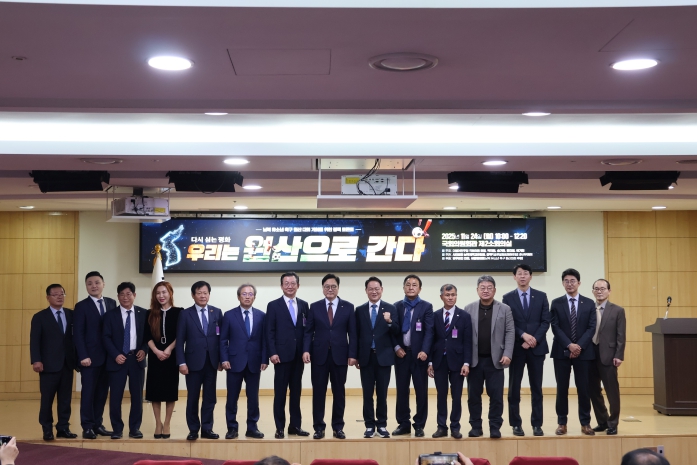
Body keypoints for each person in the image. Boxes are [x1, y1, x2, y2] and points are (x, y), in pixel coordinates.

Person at [303, 273, 357, 440]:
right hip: (319, 356)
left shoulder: (348, 307)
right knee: (318, 392)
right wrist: (306, 350)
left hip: (340, 356)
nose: (330, 289)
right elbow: (308, 332)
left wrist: (352, 354)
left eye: (333, 286)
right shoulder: (315, 307)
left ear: (338, 288)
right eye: (327, 286)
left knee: (339, 393)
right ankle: (319, 427)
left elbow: (353, 334)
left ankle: (338, 427)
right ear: (322, 288)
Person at [501, 263, 550, 437]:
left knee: (537, 388)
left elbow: (545, 321)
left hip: (536, 348)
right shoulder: (508, 298)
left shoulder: (541, 296)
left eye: (526, 273)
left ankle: (537, 424)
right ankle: (516, 424)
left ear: (531, 276)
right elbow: (508, 322)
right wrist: (523, 335)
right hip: (517, 348)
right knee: (514, 388)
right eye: (519, 273)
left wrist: (533, 339)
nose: (522, 276)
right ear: (514, 277)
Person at [463, 275, 514, 439]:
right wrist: (465, 360)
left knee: (496, 397)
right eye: (482, 288)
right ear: (477, 290)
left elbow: (510, 332)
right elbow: (464, 336)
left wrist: (507, 353)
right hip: (475, 361)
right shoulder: (468, 308)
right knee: (473, 397)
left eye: (489, 288)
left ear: (495, 290)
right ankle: (476, 426)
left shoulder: (504, 309)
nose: (486, 291)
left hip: (496, 360)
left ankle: (495, 426)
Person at [550, 268, 597, 436]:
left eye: (572, 281)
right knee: (562, 389)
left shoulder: (589, 303)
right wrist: (569, 345)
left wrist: (578, 346)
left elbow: (591, 327)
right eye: (566, 281)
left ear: (579, 283)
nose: (569, 284)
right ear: (563, 283)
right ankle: (562, 423)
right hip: (561, 351)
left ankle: (585, 423)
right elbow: (555, 327)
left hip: (584, 353)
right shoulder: (556, 303)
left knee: (584, 389)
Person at [176, 281, 224, 440]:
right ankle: (193, 429)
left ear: (209, 294)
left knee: (210, 397)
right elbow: (180, 340)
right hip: (192, 363)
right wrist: (181, 362)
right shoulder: (185, 314)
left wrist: (221, 359)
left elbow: (221, 338)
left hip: (211, 362)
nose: (202, 296)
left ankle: (207, 429)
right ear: (193, 295)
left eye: (205, 293)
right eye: (199, 293)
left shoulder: (217, 312)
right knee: (193, 398)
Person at [30, 284, 77, 441]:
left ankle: (63, 428)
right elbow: (35, 341)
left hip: (67, 364)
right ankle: (47, 429)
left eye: (62, 294)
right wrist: (36, 360)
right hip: (48, 365)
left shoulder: (71, 314)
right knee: (47, 400)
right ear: (48, 297)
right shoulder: (40, 317)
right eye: (55, 294)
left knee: (65, 399)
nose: (59, 296)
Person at [220, 283, 268, 440]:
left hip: (255, 362)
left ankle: (252, 427)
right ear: (238, 296)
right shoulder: (229, 315)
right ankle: (232, 428)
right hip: (234, 362)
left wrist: (264, 359)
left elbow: (264, 340)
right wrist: (224, 359)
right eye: (244, 294)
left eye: (250, 294)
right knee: (232, 398)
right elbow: (223, 340)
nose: (247, 297)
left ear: (254, 297)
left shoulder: (262, 315)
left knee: (253, 398)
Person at [73, 271, 117, 439]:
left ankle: (98, 424)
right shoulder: (81, 306)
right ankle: (87, 426)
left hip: (109, 358)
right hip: (89, 359)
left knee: (102, 393)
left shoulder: (111, 303)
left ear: (103, 284)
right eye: (89, 283)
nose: (93, 286)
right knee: (88, 393)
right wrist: (83, 355)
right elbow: (78, 334)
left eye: (97, 282)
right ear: (86, 286)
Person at [266, 272, 310, 438]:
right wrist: (272, 352)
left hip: (299, 356)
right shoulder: (273, 305)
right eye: (286, 283)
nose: (290, 286)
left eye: (293, 283)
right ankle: (279, 427)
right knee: (280, 393)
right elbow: (269, 331)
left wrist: (306, 350)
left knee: (296, 392)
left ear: (298, 285)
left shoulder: (304, 305)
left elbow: (307, 331)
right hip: (281, 356)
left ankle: (295, 426)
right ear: (281, 286)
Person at [354, 276, 399, 439]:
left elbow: (397, 331)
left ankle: (381, 424)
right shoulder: (359, 310)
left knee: (382, 393)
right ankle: (369, 425)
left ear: (382, 290)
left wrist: (389, 321)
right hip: (366, 358)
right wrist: (355, 356)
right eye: (371, 289)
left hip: (384, 358)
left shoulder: (391, 308)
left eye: (377, 288)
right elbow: (356, 335)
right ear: (366, 291)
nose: (374, 291)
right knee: (367, 394)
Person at [103, 282, 147, 439]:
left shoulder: (144, 313)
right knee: (115, 397)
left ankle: (135, 428)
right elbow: (105, 337)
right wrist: (115, 354)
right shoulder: (110, 315)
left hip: (136, 359)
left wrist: (144, 350)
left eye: (128, 294)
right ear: (118, 297)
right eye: (122, 294)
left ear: (134, 295)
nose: (125, 297)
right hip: (117, 360)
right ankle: (117, 429)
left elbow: (148, 336)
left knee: (137, 397)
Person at [428, 284, 472, 439]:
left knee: (456, 395)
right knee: (441, 395)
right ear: (441, 297)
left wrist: (466, 363)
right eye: (447, 295)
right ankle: (441, 427)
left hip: (458, 362)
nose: (450, 297)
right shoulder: (435, 315)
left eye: (453, 295)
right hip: (439, 361)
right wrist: (430, 362)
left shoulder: (464, 316)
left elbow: (468, 341)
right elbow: (431, 340)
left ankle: (455, 426)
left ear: (456, 296)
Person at [392, 274, 434, 438]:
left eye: (414, 285)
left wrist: (425, 351)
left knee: (421, 391)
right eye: (408, 284)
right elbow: (392, 331)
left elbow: (429, 331)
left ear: (420, 289)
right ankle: (403, 423)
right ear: (403, 288)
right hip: (401, 355)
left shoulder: (426, 307)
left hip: (419, 356)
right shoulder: (396, 306)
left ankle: (419, 425)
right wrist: (396, 347)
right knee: (402, 390)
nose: (411, 287)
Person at [144, 281, 182, 439]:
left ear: (170, 293)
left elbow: (181, 335)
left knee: (170, 391)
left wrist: (169, 349)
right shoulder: (150, 313)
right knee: (155, 392)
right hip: (155, 356)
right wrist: (156, 351)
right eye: (158, 293)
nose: (161, 295)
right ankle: (158, 423)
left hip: (171, 356)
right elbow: (146, 336)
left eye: (164, 292)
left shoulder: (179, 312)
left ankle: (167, 423)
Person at [589, 279, 626, 436]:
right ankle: (602, 421)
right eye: (596, 289)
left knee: (612, 391)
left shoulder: (617, 310)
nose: (599, 291)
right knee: (593, 391)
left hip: (609, 356)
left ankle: (613, 422)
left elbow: (621, 335)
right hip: (590, 355)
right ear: (593, 291)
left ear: (609, 291)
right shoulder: (588, 309)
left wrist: (619, 355)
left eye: (603, 288)